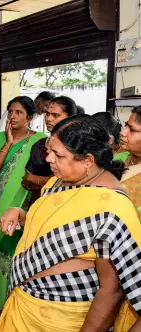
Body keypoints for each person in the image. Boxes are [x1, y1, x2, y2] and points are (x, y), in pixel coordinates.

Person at [0, 115, 141, 332]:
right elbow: (54, 226)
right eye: (49, 151)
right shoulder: (58, 181)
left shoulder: (112, 206)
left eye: (58, 155)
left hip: (63, 319)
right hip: (25, 306)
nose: (49, 159)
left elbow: (112, 290)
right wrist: (20, 214)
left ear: (88, 161)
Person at [0, 96, 46, 311]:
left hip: (27, 202)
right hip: (2, 200)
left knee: (21, 248)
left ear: (30, 116)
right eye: (10, 111)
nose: (12, 115)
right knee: (1, 242)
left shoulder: (41, 140)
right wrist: (8, 144)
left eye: (18, 112)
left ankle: (17, 300)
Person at [113, 106, 141, 330]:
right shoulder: (119, 158)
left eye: (132, 129)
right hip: (107, 258)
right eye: (125, 126)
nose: (123, 132)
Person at [22, 96, 78, 204]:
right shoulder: (39, 144)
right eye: (47, 114)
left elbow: (73, 181)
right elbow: (27, 178)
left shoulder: (76, 146)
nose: (48, 119)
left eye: (55, 115)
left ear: (70, 118)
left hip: (65, 203)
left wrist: (36, 179)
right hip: (38, 202)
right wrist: (34, 180)